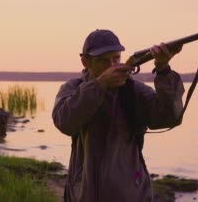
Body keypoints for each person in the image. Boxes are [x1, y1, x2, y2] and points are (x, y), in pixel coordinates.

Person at [53, 29, 185, 201]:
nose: (112, 65)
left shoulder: (134, 90)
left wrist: (163, 70)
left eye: (116, 58)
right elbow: (65, 122)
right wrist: (100, 85)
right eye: (103, 61)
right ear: (86, 62)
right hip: (83, 194)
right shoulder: (73, 89)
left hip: (132, 195)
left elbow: (171, 118)